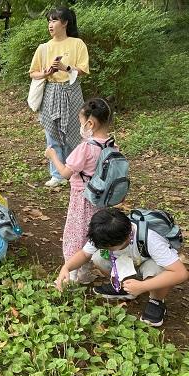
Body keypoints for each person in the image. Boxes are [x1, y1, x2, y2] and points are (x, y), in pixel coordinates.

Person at [55, 208, 188, 327]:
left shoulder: (151, 239)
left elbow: (180, 273)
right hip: (130, 261)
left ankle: (156, 300)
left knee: (157, 268)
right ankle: (125, 288)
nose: (104, 248)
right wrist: (66, 268)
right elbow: (85, 254)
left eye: (108, 247)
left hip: (149, 263)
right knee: (98, 257)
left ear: (126, 237)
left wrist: (143, 287)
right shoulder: (102, 233)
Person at [45, 98, 115, 283]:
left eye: (81, 122)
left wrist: (53, 156)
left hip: (82, 198)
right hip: (102, 200)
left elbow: (66, 173)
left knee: (75, 233)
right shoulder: (111, 144)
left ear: (90, 123)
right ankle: (85, 272)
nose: (81, 126)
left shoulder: (85, 148)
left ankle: (71, 275)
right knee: (93, 232)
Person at [29, 7, 90, 187]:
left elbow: (83, 71)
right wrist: (46, 73)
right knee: (52, 132)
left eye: (55, 20)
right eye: (49, 21)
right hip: (51, 91)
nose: (51, 24)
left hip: (72, 91)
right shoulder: (44, 48)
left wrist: (66, 68)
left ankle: (72, 171)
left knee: (73, 132)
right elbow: (33, 73)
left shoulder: (78, 44)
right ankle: (56, 174)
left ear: (65, 23)